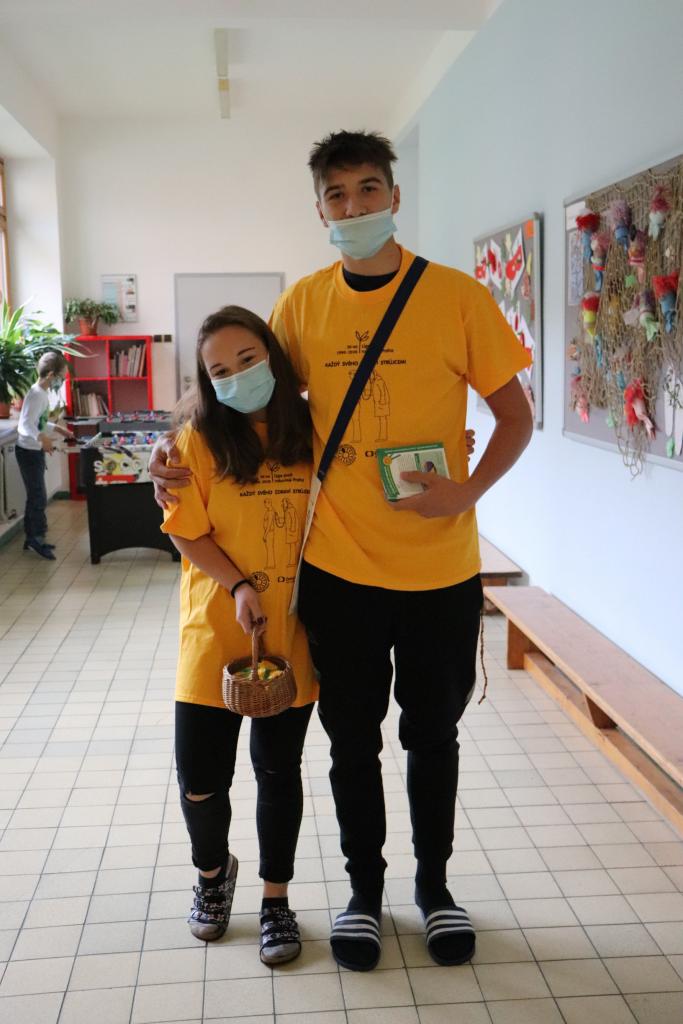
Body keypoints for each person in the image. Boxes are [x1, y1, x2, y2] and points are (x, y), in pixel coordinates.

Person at [151, 129, 531, 973]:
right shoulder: (301, 307)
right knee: (351, 744)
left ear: (394, 196)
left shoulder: (457, 297)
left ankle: (434, 888)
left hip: (438, 569)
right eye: (336, 195)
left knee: (432, 737)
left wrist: (467, 491)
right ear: (318, 209)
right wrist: (169, 447)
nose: (353, 206)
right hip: (338, 573)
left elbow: (515, 414)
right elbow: (243, 389)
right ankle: (363, 893)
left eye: (367, 189)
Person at [159, 305, 318, 966]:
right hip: (215, 625)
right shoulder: (195, 442)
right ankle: (211, 874)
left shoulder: (313, 428)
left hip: (292, 629)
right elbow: (186, 532)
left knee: (278, 770)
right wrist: (239, 586)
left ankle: (276, 899)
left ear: (273, 355)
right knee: (200, 775)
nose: (236, 377)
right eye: (219, 371)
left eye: (247, 360)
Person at [16, 351, 74, 560]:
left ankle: (32, 537)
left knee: (35, 495)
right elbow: (24, 425)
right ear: (51, 375)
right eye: (62, 377)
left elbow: (37, 421)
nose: (62, 381)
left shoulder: (41, 393)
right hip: (28, 452)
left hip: (34, 451)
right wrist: (42, 438)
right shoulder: (36, 394)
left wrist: (57, 429)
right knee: (38, 496)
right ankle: (36, 539)